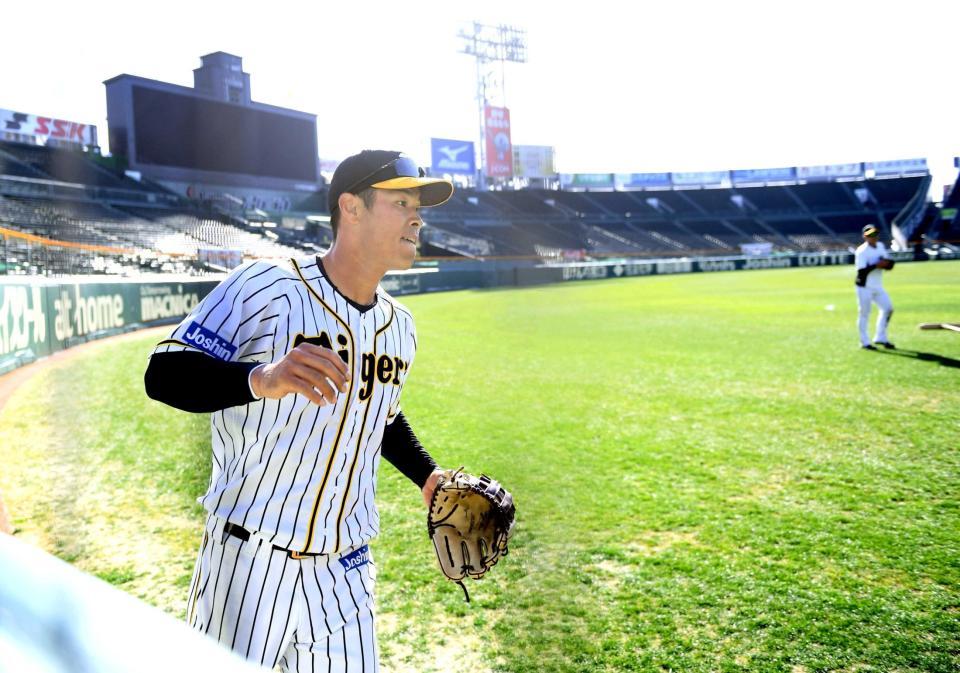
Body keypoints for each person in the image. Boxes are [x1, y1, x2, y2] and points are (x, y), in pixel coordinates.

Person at [144, 150, 454, 671]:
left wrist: (427, 475)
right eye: (401, 202)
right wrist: (261, 378)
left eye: (418, 205)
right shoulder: (266, 286)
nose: (417, 216)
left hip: (346, 570)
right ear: (351, 208)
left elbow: (381, 416)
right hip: (248, 561)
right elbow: (164, 373)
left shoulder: (401, 326)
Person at [854, 223, 895, 350]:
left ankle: (880, 337)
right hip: (864, 286)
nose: (873, 237)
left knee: (888, 308)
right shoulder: (861, 251)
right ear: (864, 236)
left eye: (875, 234)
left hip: (878, 286)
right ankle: (864, 342)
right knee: (864, 313)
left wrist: (886, 264)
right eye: (869, 235)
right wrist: (877, 265)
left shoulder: (881, 246)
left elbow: (889, 263)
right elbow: (861, 271)